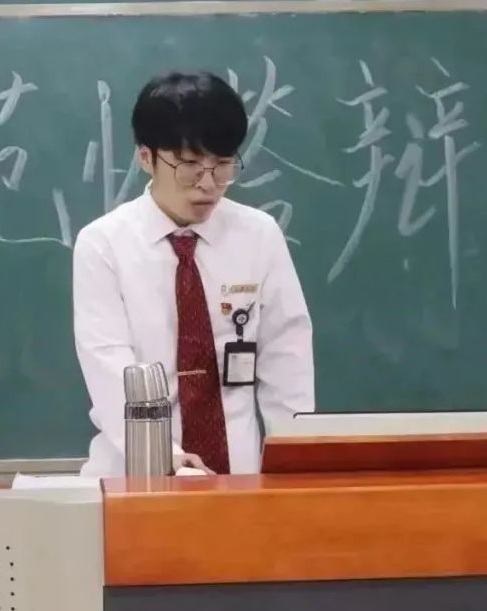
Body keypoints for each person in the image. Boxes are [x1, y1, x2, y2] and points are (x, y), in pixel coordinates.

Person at [71, 70, 314, 478]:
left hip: (239, 477)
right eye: (189, 167)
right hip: (136, 473)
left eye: (222, 166)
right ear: (146, 158)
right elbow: (108, 363)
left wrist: (295, 460)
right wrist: (163, 455)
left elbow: (287, 359)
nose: (208, 185)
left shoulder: (259, 235)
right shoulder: (104, 244)